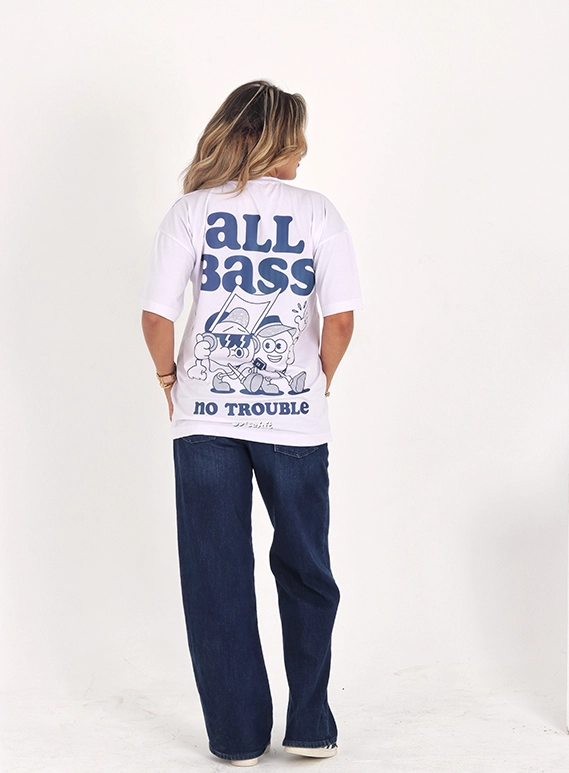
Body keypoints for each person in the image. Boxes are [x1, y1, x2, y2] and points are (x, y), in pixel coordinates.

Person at [141, 80, 363, 767]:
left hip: (203, 417)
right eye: (295, 136)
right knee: (306, 568)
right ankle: (310, 724)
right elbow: (340, 319)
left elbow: (156, 316)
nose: (304, 149)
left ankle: (237, 737)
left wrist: (170, 381)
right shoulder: (317, 211)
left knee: (216, 575)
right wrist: (320, 379)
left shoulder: (190, 212)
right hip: (295, 421)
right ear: (268, 138)